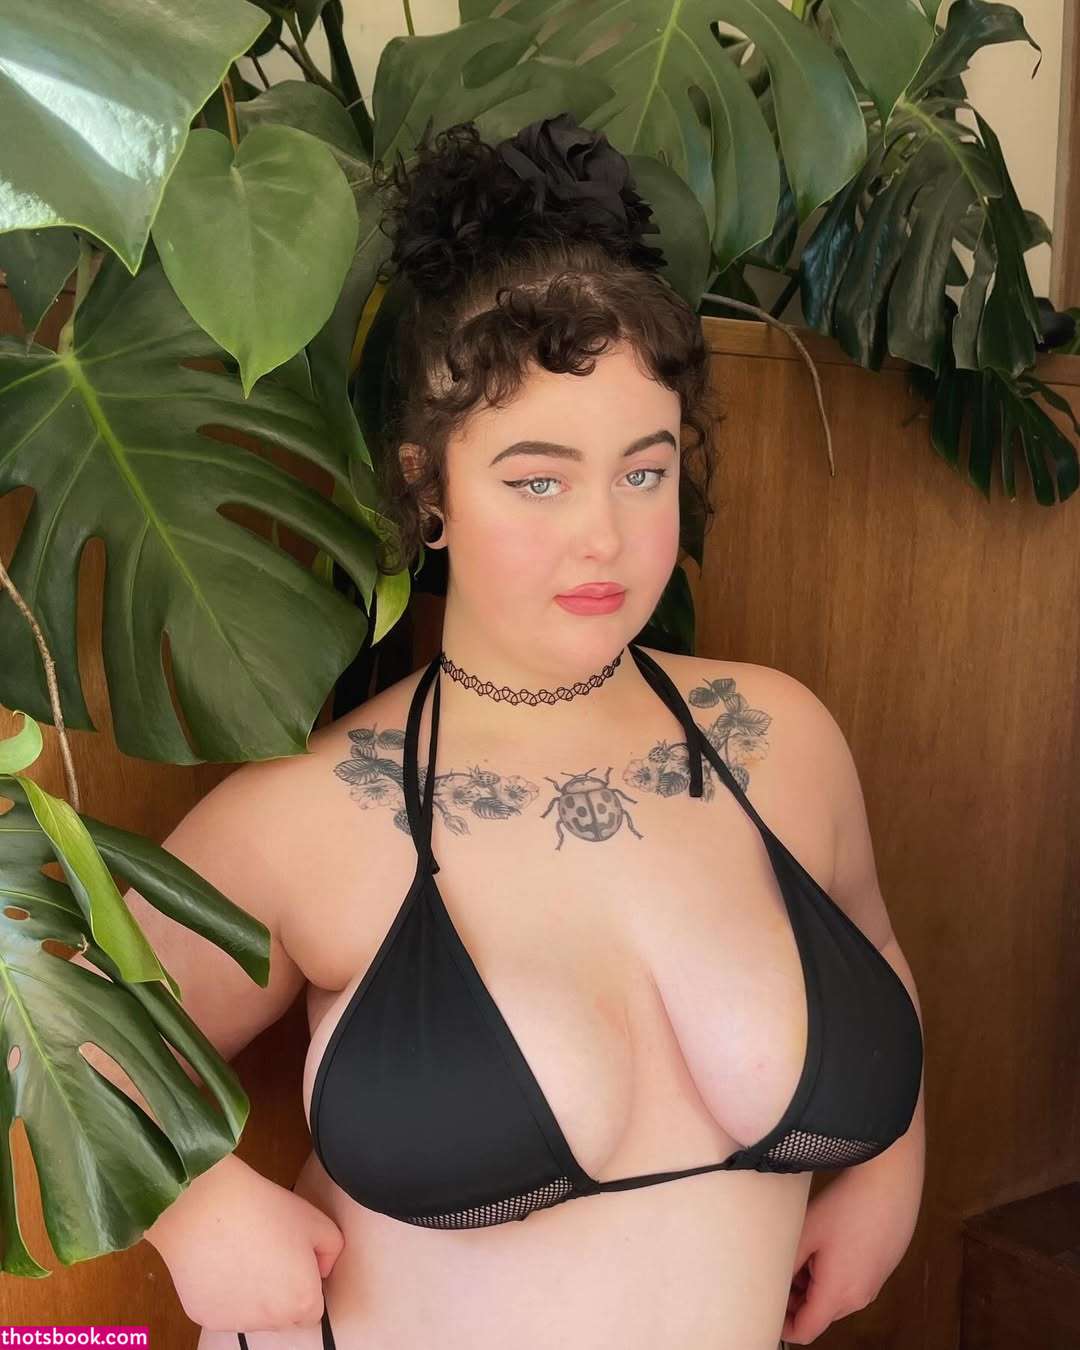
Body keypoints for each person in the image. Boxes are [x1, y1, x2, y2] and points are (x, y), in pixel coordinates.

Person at [127, 113, 922, 1350]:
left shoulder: (781, 741)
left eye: (642, 472)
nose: (603, 535)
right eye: (538, 480)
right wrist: (187, 1202)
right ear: (426, 485)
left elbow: (871, 944)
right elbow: (56, 1034)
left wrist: (886, 1176)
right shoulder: (311, 818)